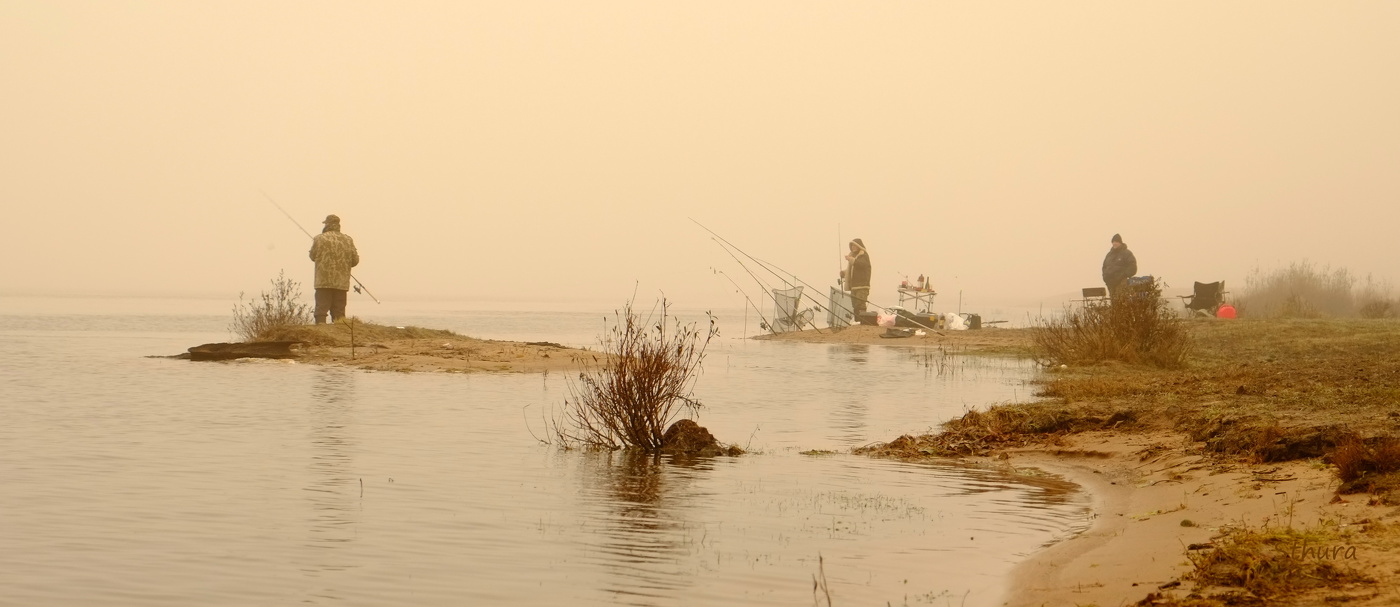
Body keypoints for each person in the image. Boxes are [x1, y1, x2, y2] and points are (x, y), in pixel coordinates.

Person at [309, 214, 360, 324]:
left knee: (321, 310)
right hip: (341, 283)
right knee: (339, 312)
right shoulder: (348, 240)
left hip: (323, 282)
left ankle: (321, 333)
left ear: (327, 224)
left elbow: (312, 256)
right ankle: (339, 336)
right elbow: (355, 261)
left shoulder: (319, 238)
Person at [1101, 233, 1137, 300]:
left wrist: (1122, 275)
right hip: (1110, 284)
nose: (1114, 243)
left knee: (1121, 302)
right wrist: (1105, 277)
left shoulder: (1127, 253)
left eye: (1116, 241)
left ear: (1120, 242)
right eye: (1113, 242)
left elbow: (1133, 267)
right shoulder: (1109, 255)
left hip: (1121, 283)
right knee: (1114, 303)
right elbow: (1104, 267)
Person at [841, 238, 872, 314]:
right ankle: (857, 320)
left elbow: (861, 265)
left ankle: (862, 321)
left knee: (860, 305)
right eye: (852, 246)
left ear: (859, 246)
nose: (853, 247)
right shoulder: (854, 257)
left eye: (854, 245)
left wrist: (851, 259)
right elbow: (853, 270)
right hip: (853, 286)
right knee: (855, 305)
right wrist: (844, 273)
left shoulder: (863, 255)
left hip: (862, 286)